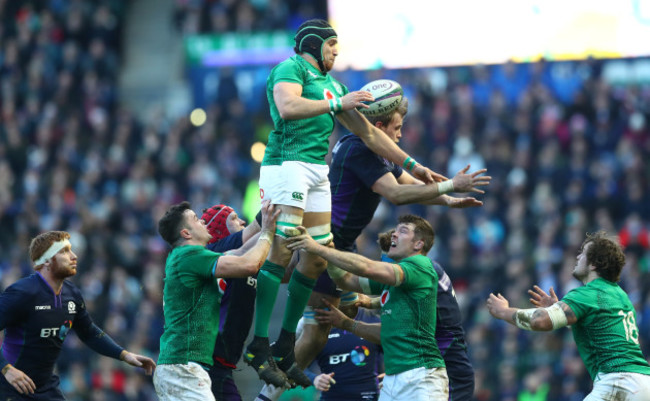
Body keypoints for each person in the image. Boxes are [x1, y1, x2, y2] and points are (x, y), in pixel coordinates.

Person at [247, 17, 446, 388]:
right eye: (332, 45)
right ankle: (259, 342)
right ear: (314, 44)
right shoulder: (290, 69)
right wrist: (338, 102)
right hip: (287, 162)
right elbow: (288, 107)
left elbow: (369, 132)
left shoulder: (334, 86)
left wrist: (415, 166)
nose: (337, 52)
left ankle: (285, 343)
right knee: (280, 251)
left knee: (317, 256)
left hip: (314, 170)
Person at [293, 96, 488, 383]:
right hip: (330, 237)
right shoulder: (360, 149)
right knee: (317, 329)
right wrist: (450, 187)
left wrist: (448, 199)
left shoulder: (378, 153)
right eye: (397, 128)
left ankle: (293, 324)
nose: (400, 134)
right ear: (379, 125)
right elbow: (397, 194)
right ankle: (271, 384)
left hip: (337, 241)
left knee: (338, 309)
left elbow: (410, 184)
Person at [286, 214, 449, 401]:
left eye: (403, 231)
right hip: (393, 380)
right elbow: (346, 280)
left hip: (422, 377)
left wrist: (317, 248)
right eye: (396, 230)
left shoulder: (421, 266)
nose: (394, 235)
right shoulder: (393, 285)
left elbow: (367, 268)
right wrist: (327, 250)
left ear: (419, 244)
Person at [310, 228, 475, 401]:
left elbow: (366, 270)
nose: (384, 262)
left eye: (388, 257)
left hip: (448, 370)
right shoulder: (410, 282)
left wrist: (322, 249)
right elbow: (349, 282)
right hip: (422, 371)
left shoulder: (424, 269)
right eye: (383, 257)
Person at [486, 231, 650, 401]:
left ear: (594, 264)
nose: (578, 257)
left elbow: (539, 321)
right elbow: (598, 328)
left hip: (617, 383)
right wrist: (558, 312)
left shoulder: (587, 294)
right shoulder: (620, 296)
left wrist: (503, 311)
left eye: (583, 253)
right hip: (644, 383)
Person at [0, 231, 156, 400]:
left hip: (45, 388)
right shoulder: (22, 293)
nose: (73, 256)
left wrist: (124, 355)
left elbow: (88, 332)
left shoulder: (72, 294)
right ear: (46, 261)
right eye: (64, 251)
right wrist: (6, 369)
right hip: (11, 387)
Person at [153, 200, 284, 401]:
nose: (203, 223)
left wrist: (276, 226)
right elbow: (249, 264)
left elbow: (240, 253)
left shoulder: (193, 257)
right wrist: (267, 232)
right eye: (197, 220)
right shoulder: (188, 255)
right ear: (186, 234)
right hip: (183, 368)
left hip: (187, 367)